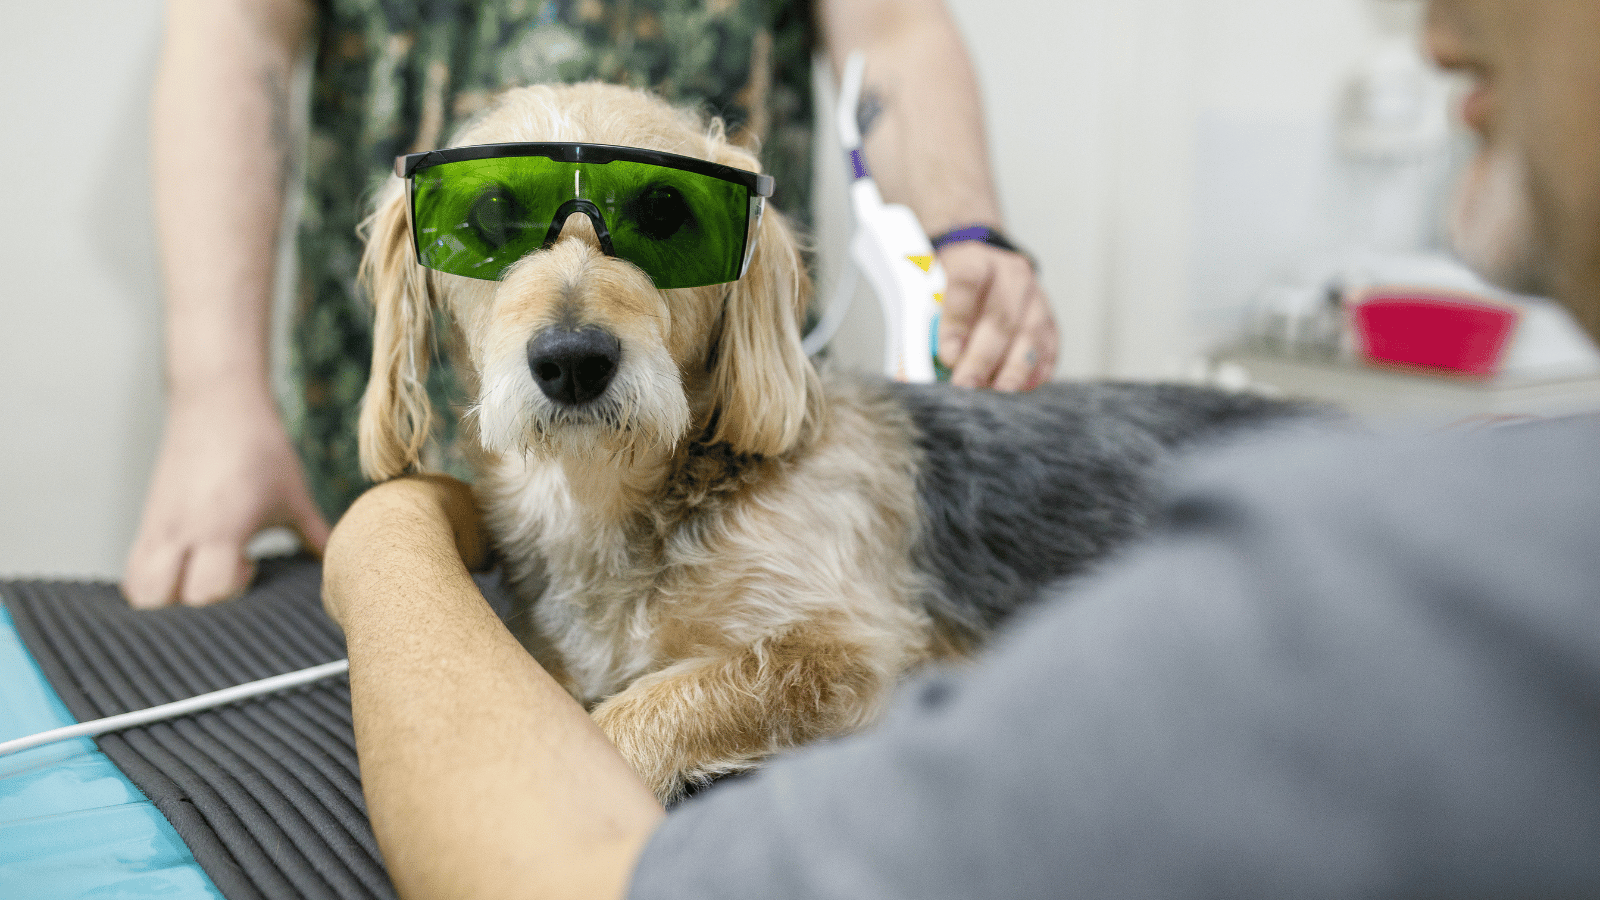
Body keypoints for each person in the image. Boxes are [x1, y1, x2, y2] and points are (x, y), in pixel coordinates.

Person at [319, 0, 1600, 897]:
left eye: (663, 225)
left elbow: (837, 669)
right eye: (493, 225)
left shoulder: (814, 479)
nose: (575, 314)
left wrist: (403, 560)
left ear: (738, 298)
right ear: (422, 294)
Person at [123, 0, 1058, 609]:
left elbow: (891, 29)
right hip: (414, 419)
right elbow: (232, 23)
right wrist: (214, 390)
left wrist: (965, 233)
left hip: (706, 429)